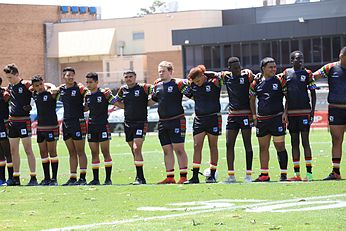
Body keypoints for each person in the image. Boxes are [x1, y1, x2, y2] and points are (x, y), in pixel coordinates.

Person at [212, 57, 255, 183]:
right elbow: (211, 74)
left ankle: (248, 175)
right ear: (229, 68)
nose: (238, 70)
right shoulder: (227, 77)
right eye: (235, 68)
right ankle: (231, 176)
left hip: (245, 115)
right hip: (232, 116)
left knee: (247, 144)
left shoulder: (246, 77)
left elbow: (257, 77)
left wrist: (254, 116)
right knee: (229, 144)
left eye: (239, 67)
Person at [249, 57, 289, 182]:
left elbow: (288, 97)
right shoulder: (256, 83)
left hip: (277, 118)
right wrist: (254, 116)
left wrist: (285, 113)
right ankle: (264, 175)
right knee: (263, 148)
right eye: (270, 67)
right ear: (263, 69)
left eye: (274, 67)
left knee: (280, 146)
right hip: (262, 120)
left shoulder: (280, 80)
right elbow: (251, 99)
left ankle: (283, 175)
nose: (273, 69)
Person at [279, 51, 317, 181]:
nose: (300, 60)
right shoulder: (286, 74)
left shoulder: (308, 73)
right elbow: (286, 95)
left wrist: (312, 111)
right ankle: (297, 175)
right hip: (291, 113)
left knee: (305, 142)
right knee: (294, 143)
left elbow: (313, 93)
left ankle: (310, 175)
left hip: (304, 112)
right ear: (291, 61)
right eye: (297, 58)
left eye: (301, 58)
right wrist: (285, 112)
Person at [151, 61, 190, 184]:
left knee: (179, 149)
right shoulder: (157, 85)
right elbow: (152, 101)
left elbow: (192, 94)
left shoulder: (178, 84)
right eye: (159, 71)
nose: (160, 73)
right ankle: (170, 177)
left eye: (163, 71)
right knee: (166, 150)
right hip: (163, 122)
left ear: (170, 72)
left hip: (177, 120)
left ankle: (183, 177)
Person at [184, 65, 221, 184]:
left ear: (203, 76)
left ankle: (212, 175)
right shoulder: (192, 86)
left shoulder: (214, 82)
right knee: (197, 146)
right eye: (195, 82)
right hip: (199, 119)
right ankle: (195, 176)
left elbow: (220, 75)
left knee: (213, 146)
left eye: (199, 80)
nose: (197, 83)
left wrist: (207, 72)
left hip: (213, 118)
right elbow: (181, 84)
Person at [114, 71, 152, 185]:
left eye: (131, 77)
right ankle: (139, 176)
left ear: (135, 77)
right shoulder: (123, 90)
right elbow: (116, 101)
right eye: (126, 77)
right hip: (128, 123)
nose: (128, 79)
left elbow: (156, 93)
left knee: (136, 148)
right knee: (133, 151)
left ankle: (141, 178)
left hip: (141, 122)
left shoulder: (144, 88)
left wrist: (147, 103)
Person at [313, 46, 346, 180]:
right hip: (335, 109)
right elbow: (313, 76)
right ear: (341, 56)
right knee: (336, 140)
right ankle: (336, 172)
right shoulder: (330, 68)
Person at [3, 64, 37, 186]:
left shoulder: (26, 84)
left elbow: (41, 89)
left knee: (28, 149)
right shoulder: (10, 87)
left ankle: (33, 177)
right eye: (7, 77)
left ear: (17, 74)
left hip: (24, 121)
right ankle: (16, 177)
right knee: (13, 151)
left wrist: (32, 103)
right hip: (13, 122)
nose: (9, 80)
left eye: (10, 77)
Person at [58, 67, 88, 186]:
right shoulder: (61, 89)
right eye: (68, 75)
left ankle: (83, 178)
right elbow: (50, 89)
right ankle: (72, 177)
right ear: (63, 77)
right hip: (66, 123)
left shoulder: (80, 88)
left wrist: (86, 107)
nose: (70, 77)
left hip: (78, 122)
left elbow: (90, 94)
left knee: (80, 151)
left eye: (72, 75)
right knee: (71, 152)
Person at [84, 72, 114, 185]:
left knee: (105, 152)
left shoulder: (104, 94)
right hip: (91, 126)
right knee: (94, 153)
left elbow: (115, 101)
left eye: (91, 82)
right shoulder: (87, 96)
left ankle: (108, 179)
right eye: (87, 82)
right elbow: (85, 108)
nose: (88, 84)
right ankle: (95, 179)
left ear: (97, 82)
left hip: (102, 126)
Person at [31, 75, 60, 186]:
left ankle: (54, 179)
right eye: (36, 86)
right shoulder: (35, 95)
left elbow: (55, 89)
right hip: (40, 127)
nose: (39, 87)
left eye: (41, 84)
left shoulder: (51, 93)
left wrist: (51, 85)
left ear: (43, 83)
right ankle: (46, 178)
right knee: (43, 153)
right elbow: (29, 86)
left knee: (52, 152)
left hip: (52, 127)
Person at [0, 77, 13, 186]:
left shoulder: (4, 94)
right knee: (0, 155)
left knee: (7, 152)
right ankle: (2, 178)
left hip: (3, 126)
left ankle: (11, 177)